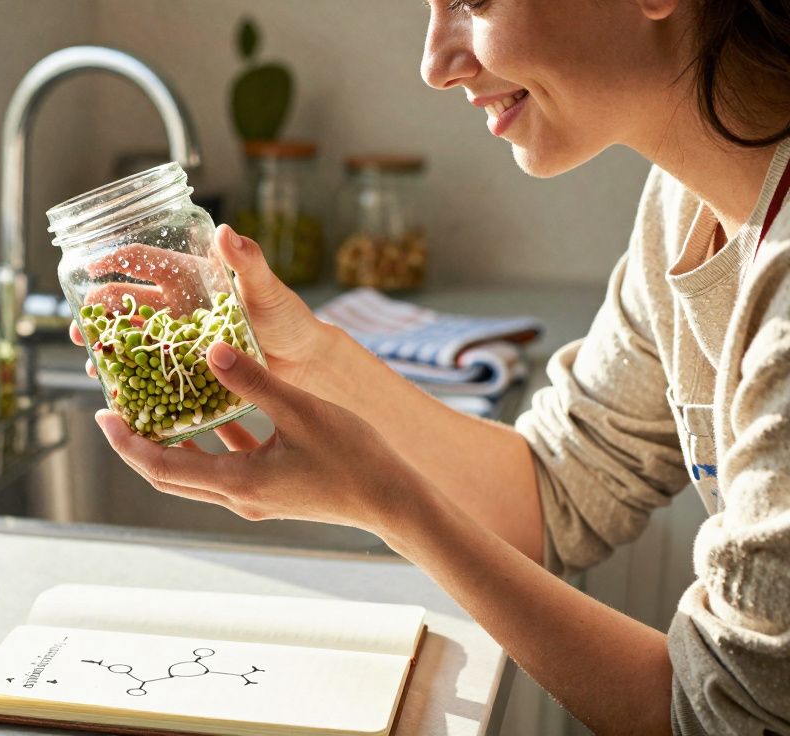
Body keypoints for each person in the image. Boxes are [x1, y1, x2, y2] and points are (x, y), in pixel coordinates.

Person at [73, 1, 790, 733]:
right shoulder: (684, 203)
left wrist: (388, 503)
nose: (435, 65)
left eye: (472, 1)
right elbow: (554, 494)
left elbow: (715, 719)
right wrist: (310, 357)